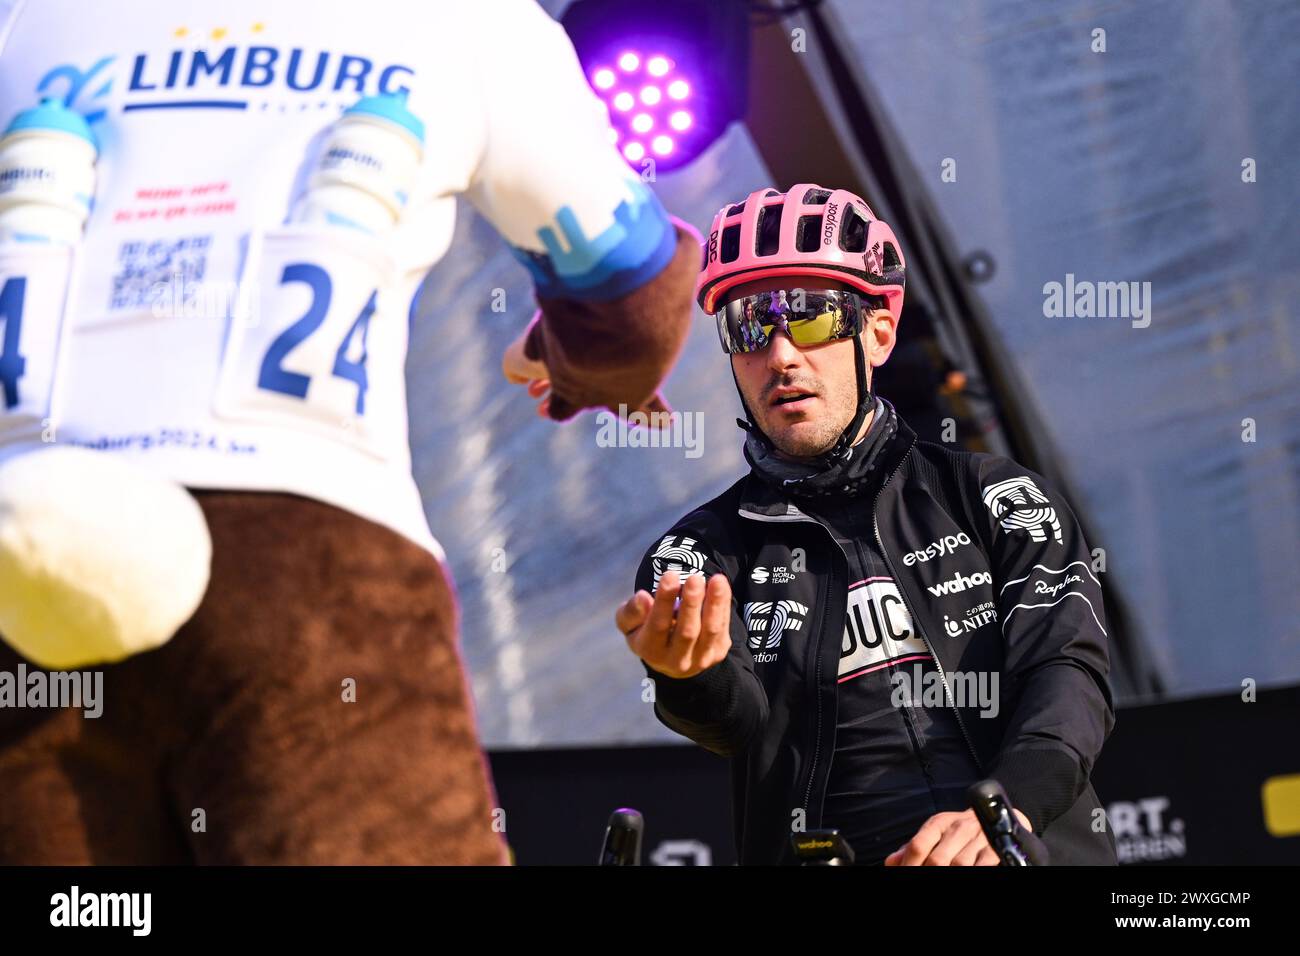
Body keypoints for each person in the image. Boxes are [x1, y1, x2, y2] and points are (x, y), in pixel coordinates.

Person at [0, 0, 698, 864]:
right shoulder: (472, 23)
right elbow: (632, 295)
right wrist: (578, 366)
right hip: (311, 556)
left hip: (21, 563)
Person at [616, 184, 1118, 866]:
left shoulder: (994, 496)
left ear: (878, 331)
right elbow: (736, 723)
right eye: (749, 326)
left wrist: (1006, 811)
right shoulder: (700, 553)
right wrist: (689, 676)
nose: (782, 354)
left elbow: (1067, 672)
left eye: (813, 317)